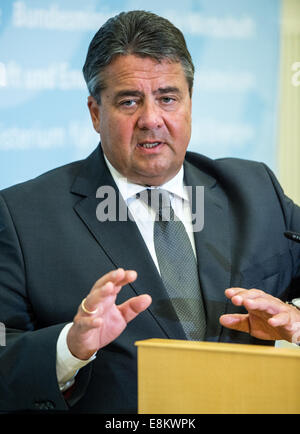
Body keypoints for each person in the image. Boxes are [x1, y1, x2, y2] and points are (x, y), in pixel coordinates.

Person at [0, 10, 299, 414]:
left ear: (190, 102)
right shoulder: (22, 217)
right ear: (94, 112)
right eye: (129, 101)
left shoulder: (254, 190)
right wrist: (68, 348)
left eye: (168, 98)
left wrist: (296, 324)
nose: (151, 119)